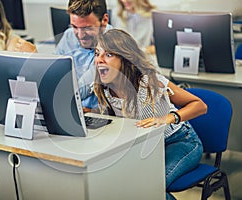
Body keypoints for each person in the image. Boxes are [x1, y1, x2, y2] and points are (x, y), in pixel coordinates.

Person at [93, 29, 207, 200]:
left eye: (108, 55)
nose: (99, 60)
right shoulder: (104, 88)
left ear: (125, 59)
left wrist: (168, 118)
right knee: (115, 184)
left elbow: (199, 105)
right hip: (144, 148)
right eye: (97, 53)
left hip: (180, 141)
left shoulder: (149, 82)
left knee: (150, 186)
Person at [54, 0, 112, 112]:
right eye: (75, 27)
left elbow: (80, 91)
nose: (80, 35)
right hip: (75, 112)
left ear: (104, 20)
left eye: (87, 28)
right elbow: (53, 75)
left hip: (103, 117)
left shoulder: (115, 44)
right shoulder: (69, 36)